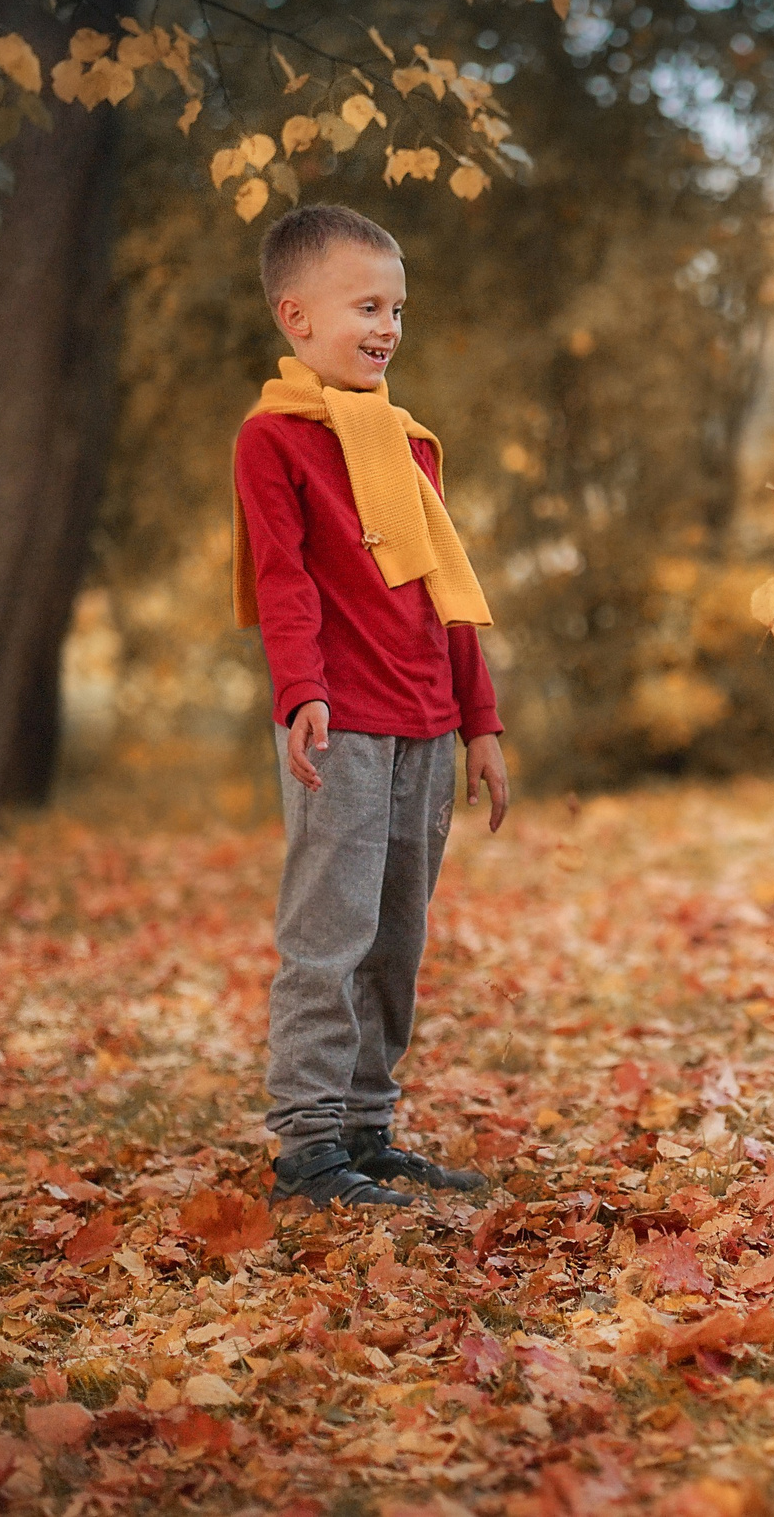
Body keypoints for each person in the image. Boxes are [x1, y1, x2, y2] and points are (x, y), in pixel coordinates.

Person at [231, 204, 512, 1205]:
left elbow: (450, 589)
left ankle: (366, 1126)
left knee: (397, 938)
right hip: (339, 724)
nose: (388, 326)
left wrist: (479, 724)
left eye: (396, 307)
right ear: (297, 317)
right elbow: (283, 580)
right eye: (366, 305)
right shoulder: (275, 441)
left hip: (427, 728)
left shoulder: (408, 441)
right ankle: (308, 1149)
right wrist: (301, 691)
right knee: (329, 935)